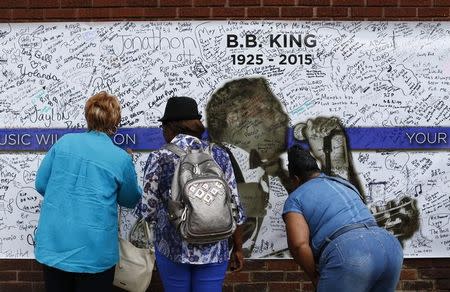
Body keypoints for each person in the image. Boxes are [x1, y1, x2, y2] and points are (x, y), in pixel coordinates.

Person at [136, 96, 246, 292]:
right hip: (214, 245)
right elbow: (235, 206)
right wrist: (238, 247)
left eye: (163, 128)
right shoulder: (219, 154)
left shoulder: (160, 157)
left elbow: (147, 209)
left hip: (173, 246)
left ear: (170, 126)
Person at [34, 91, 142, 292]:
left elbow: (41, 184)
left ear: (88, 117)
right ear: (115, 122)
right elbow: (130, 200)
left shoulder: (64, 142)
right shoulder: (120, 158)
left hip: (55, 245)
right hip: (94, 251)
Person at [283, 145, 403, 292]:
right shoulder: (344, 184)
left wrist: (315, 277)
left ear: (295, 179)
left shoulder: (295, 198)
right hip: (390, 246)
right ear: (317, 170)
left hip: (351, 254)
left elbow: (299, 245)